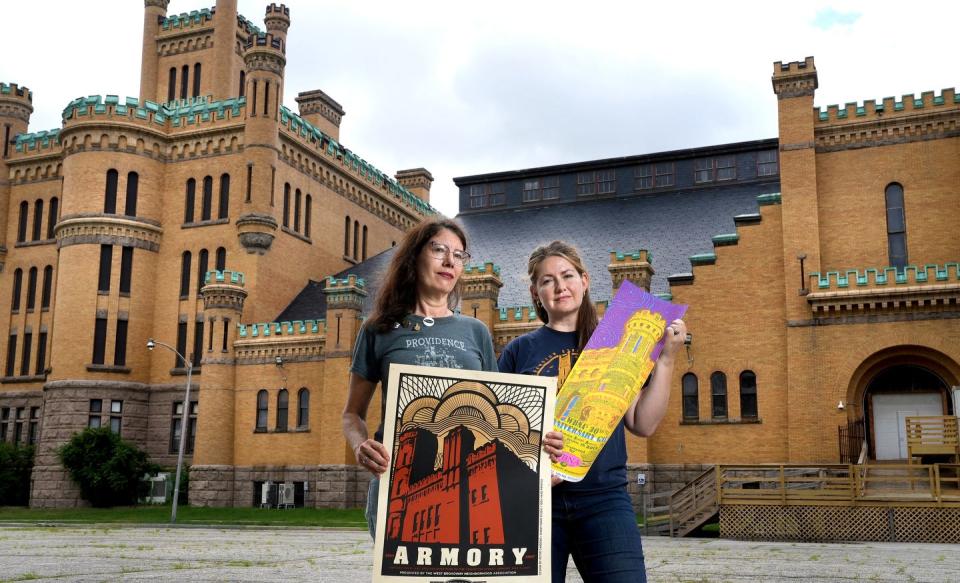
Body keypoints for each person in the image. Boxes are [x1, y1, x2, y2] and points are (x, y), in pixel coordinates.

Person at [498, 240, 686, 583]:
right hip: (535, 501)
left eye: (567, 275)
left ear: (585, 280)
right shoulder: (518, 351)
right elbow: (499, 429)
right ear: (535, 292)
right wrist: (532, 440)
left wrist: (667, 360)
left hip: (604, 498)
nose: (559, 286)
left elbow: (642, 423)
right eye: (547, 280)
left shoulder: (613, 342)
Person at [342, 218, 498, 538]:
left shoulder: (476, 331)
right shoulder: (378, 329)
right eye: (438, 249)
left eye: (459, 255)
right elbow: (351, 414)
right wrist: (360, 446)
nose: (449, 261)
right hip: (399, 482)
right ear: (414, 257)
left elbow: (497, 411)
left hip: (468, 482)